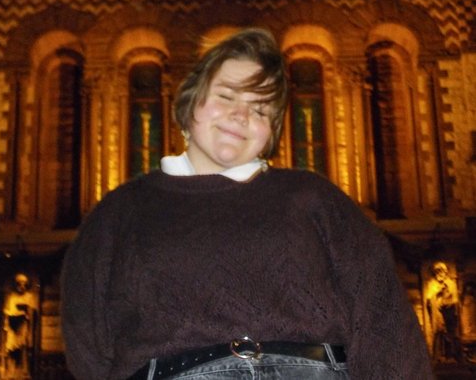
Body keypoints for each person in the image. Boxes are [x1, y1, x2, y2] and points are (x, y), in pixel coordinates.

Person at [61, 28, 433, 379]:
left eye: (260, 110)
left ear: (270, 134)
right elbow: (88, 341)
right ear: (190, 104)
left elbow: (384, 322)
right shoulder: (120, 213)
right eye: (226, 97)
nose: (242, 115)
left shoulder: (314, 199)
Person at [3, 273, 37, 379]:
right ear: (16, 285)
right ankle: (11, 372)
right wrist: (8, 321)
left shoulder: (29, 297)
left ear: (26, 285)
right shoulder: (12, 297)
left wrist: (26, 312)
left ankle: (24, 372)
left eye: (24, 284)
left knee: (23, 348)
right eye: (19, 284)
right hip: (12, 326)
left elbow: (31, 313)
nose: (21, 286)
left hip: (23, 326)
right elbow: (8, 312)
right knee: (12, 349)